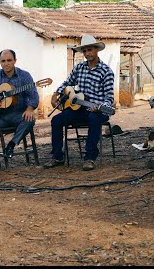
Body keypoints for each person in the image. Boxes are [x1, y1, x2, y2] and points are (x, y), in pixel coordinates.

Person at [48, 35, 114, 171]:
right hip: (79, 108)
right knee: (56, 120)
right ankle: (57, 156)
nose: (87, 53)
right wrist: (56, 93)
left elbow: (109, 98)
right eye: (84, 51)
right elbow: (67, 83)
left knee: (94, 118)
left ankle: (90, 157)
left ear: (97, 50)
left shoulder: (106, 72)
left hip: (98, 110)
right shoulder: (79, 68)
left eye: (90, 50)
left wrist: (101, 107)